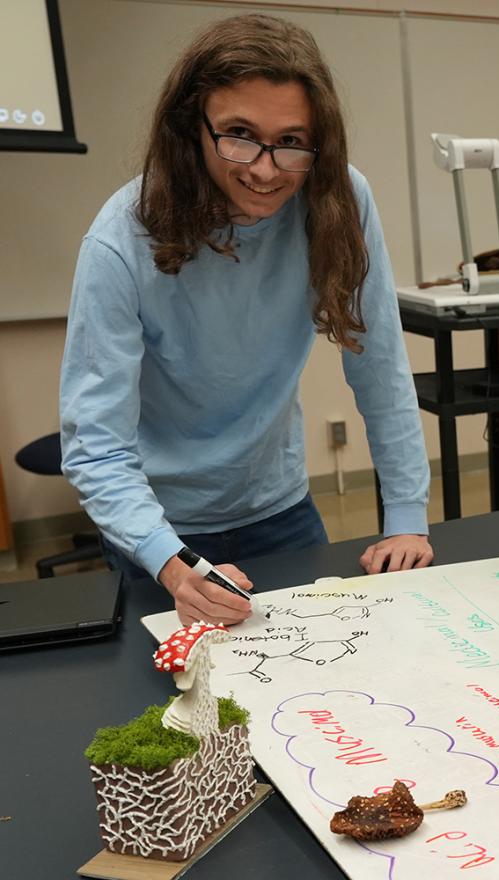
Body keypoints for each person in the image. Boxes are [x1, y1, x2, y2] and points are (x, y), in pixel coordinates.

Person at [60, 14, 433, 626]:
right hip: (157, 529)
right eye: (239, 134)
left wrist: (407, 519)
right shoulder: (121, 238)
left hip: (279, 511)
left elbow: (380, 363)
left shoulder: (338, 199)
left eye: (291, 141)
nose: (265, 169)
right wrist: (173, 564)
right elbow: (96, 446)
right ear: (192, 127)